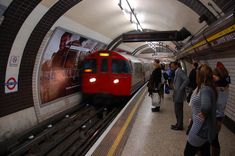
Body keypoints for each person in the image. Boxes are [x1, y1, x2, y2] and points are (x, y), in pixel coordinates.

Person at [184, 64, 217, 156]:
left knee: (187, 153)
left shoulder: (205, 89)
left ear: (200, 76)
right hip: (204, 130)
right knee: (205, 152)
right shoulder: (209, 87)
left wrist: (203, 113)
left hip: (199, 129)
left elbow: (206, 106)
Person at [211, 62, 230, 156]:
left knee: (214, 139)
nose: (212, 78)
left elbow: (218, 103)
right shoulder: (225, 86)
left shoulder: (219, 89)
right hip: (220, 116)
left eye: (214, 76)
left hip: (216, 116)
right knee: (214, 138)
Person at [171, 61, 189, 130]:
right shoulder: (177, 71)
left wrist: (180, 88)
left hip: (179, 94)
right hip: (177, 93)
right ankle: (178, 123)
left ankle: (179, 125)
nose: (171, 67)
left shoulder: (180, 71)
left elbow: (187, 80)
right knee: (177, 110)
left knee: (178, 110)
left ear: (176, 65)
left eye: (172, 66)